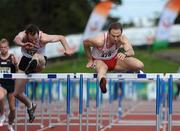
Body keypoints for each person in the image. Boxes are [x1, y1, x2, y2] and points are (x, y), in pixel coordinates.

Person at [13, 24, 74, 122]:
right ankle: (30, 105)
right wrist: (23, 44)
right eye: (32, 40)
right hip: (25, 61)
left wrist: (67, 49)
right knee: (16, 93)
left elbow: (61, 37)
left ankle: (33, 63)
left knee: (37, 57)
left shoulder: (43, 38)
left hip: (39, 62)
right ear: (27, 35)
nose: (34, 41)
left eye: (36, 39)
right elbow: (16, 39)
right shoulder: (23, 35)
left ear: (38, 35)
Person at [83, 22, 144, 94]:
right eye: (113, 36)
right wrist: (90, 60)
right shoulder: (100, 41)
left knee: (139, 65)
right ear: (108, 34)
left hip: (114, 60)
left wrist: (125, 54)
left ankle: (132, 70)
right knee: (102, 69)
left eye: (118, 36)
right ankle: (102, 83)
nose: (115, 39)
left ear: (121, 34)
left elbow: (131, 51)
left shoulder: (122, 38)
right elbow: (85, 42)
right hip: (99, 61)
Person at [0, 38, 18, 131]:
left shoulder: (12, 57)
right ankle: (2, 115)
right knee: (0, 97)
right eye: (1, 47)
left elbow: (18, 71)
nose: (3, 49)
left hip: (11, 85)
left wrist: (15, 64)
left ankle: (10, 125)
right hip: (2, 84)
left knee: (13, 109)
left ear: (8, 47)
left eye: (5, 47)